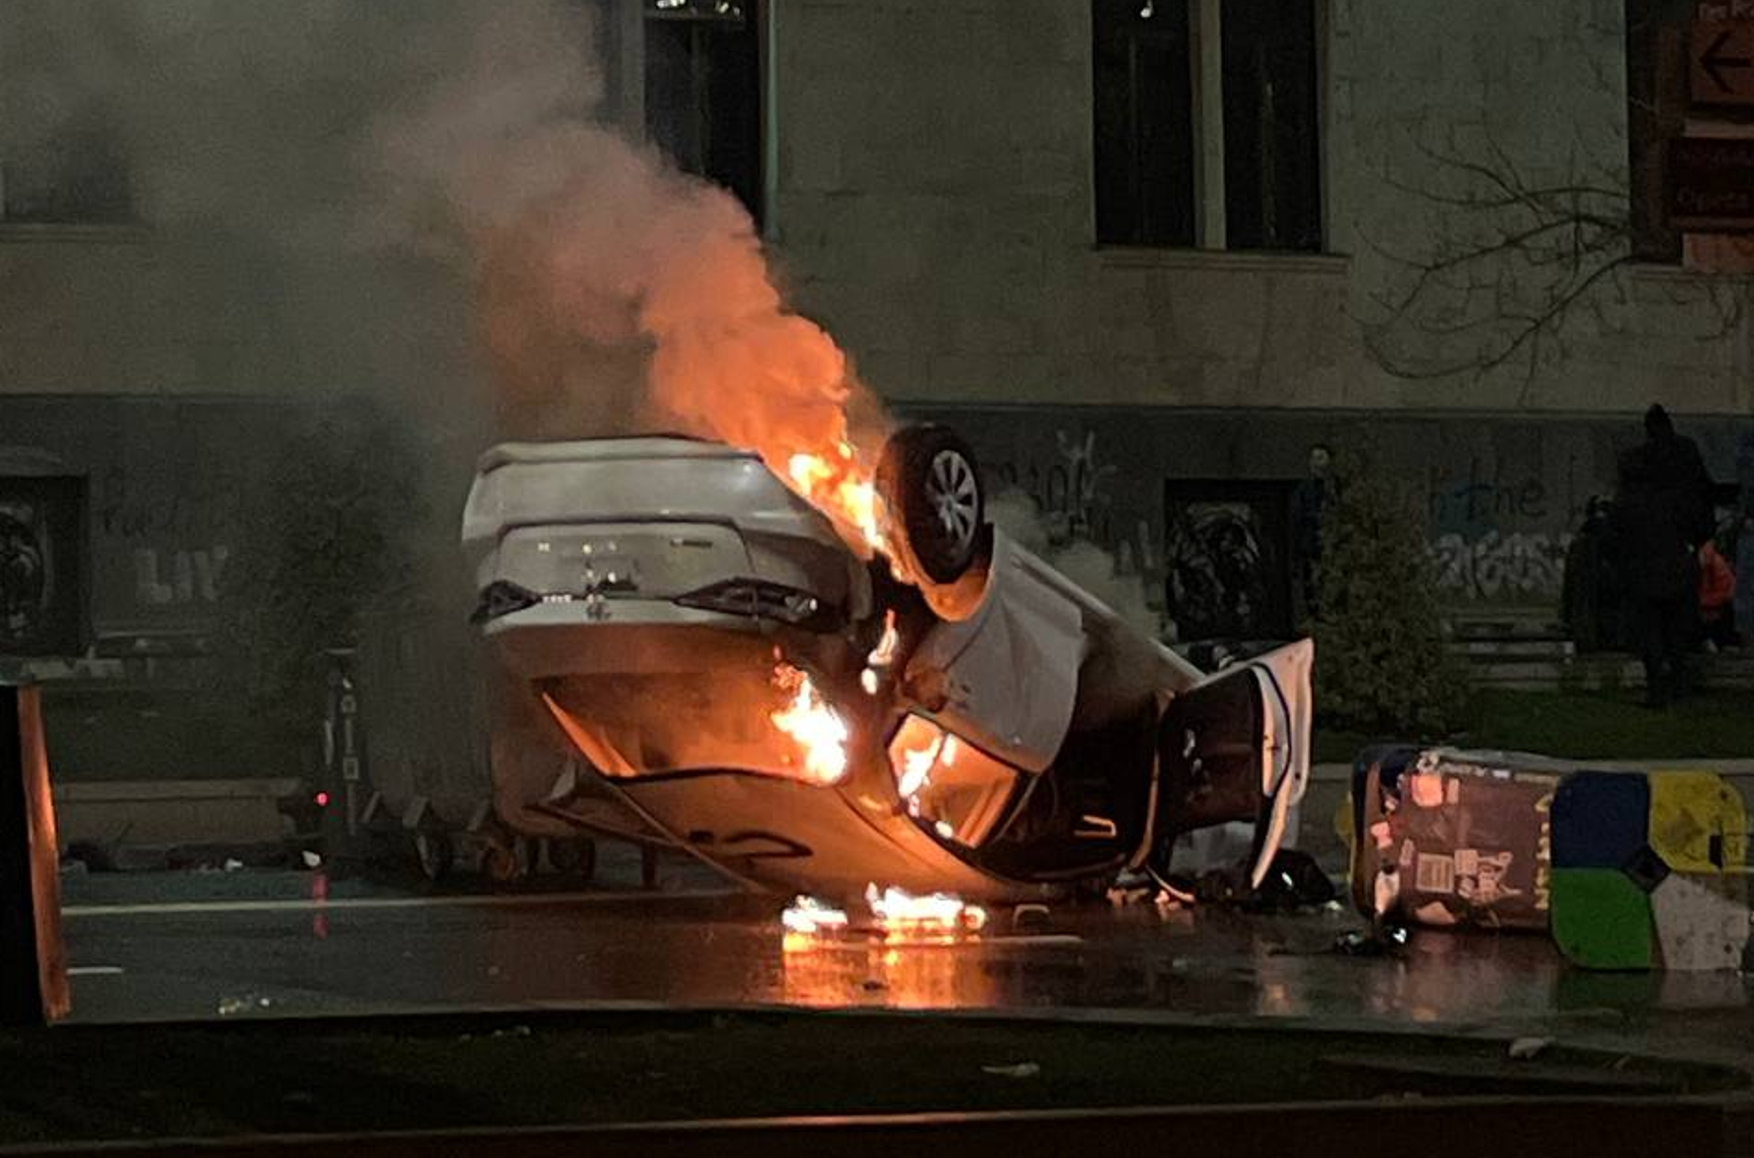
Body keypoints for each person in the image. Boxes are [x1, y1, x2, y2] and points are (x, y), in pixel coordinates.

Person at [1611, 448, 1698, 707]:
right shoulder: (1670, 497)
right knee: (1674, 637)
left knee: (1650, 637)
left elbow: (1615, 539)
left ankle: (1657, 691)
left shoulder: (1626, 502)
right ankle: (1679, 689)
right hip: (1674, 574)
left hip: (1643, 576)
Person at [1698, 538, 1738, 650]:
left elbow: (1723, 592)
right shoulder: (1711, 562)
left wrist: (1701, 603)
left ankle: (1722, 642)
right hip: (1716, 600)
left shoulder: (1713, 565)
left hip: (1721, 602)